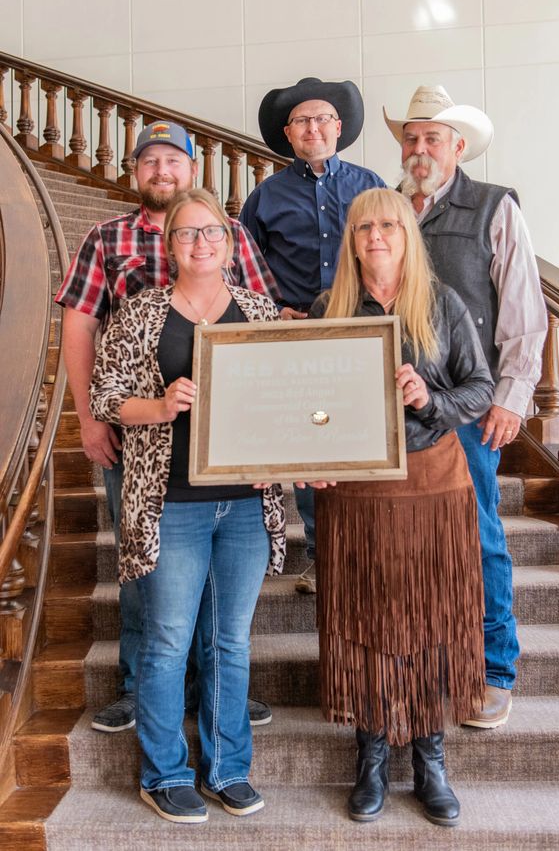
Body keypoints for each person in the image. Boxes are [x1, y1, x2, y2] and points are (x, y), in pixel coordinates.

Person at [55, 120, 277, 732]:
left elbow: (266, 329)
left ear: (191, 170)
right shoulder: (107, 238)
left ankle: (217, 684)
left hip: (228, 448)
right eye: (149, 161)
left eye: (172, 160)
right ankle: (138, 683)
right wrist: (88, 418)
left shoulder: (228, 234)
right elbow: (78, 328)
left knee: (218, 572)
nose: (161, 170)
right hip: (139, 435)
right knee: (141, 562)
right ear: (136, 172)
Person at [89, 188, 286, 824]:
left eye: (213, 233)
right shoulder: (140, 313)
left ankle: (228, 768)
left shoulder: (259, 312)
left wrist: (286, 457)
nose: (201, 243)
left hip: (247, 507)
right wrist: (162, 406)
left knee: (229, 642)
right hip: (170, 504)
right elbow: (108, 396)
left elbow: (288, 406)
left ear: (230, 245)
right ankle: (164, 772)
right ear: (168, 245)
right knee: (169, 640)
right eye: (187, 234)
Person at [311, 187, 494, 826]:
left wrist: (428, 400)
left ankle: (429, 758)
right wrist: (314, 459)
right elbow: (311, 409)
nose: (377, 236)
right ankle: (370, 756)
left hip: (433, 487)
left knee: (435, 621)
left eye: (390, 225)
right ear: (351, 239)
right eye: (365, 227)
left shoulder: (442, 304)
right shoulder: (327, 308)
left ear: (408, 235)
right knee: (362, 620)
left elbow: (481, 389)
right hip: (358, 495)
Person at [383, 85, 547, 728]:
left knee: (478, 536)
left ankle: (494, 668)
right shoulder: (385, 209)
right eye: (411, 138)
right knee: (409, 543)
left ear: (457, 147)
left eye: (432, 138)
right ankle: (425, 661)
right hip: (392, 412)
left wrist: (511, 397)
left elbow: (524, 312)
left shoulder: (493, 207)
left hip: (468, 408)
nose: (419, 149)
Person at [240, 77, 387, 593]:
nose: (313, 127)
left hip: (363, 334)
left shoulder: (371, 186)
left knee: (367, 434)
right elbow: (242, 272)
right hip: (296, 335)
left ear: (339, 128)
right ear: (289, 133)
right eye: (302, 120)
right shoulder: (265, 197)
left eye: (322, 118)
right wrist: (273, 312)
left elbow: (398, 254)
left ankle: (369, 552)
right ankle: (322, 555)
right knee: (311, 437)